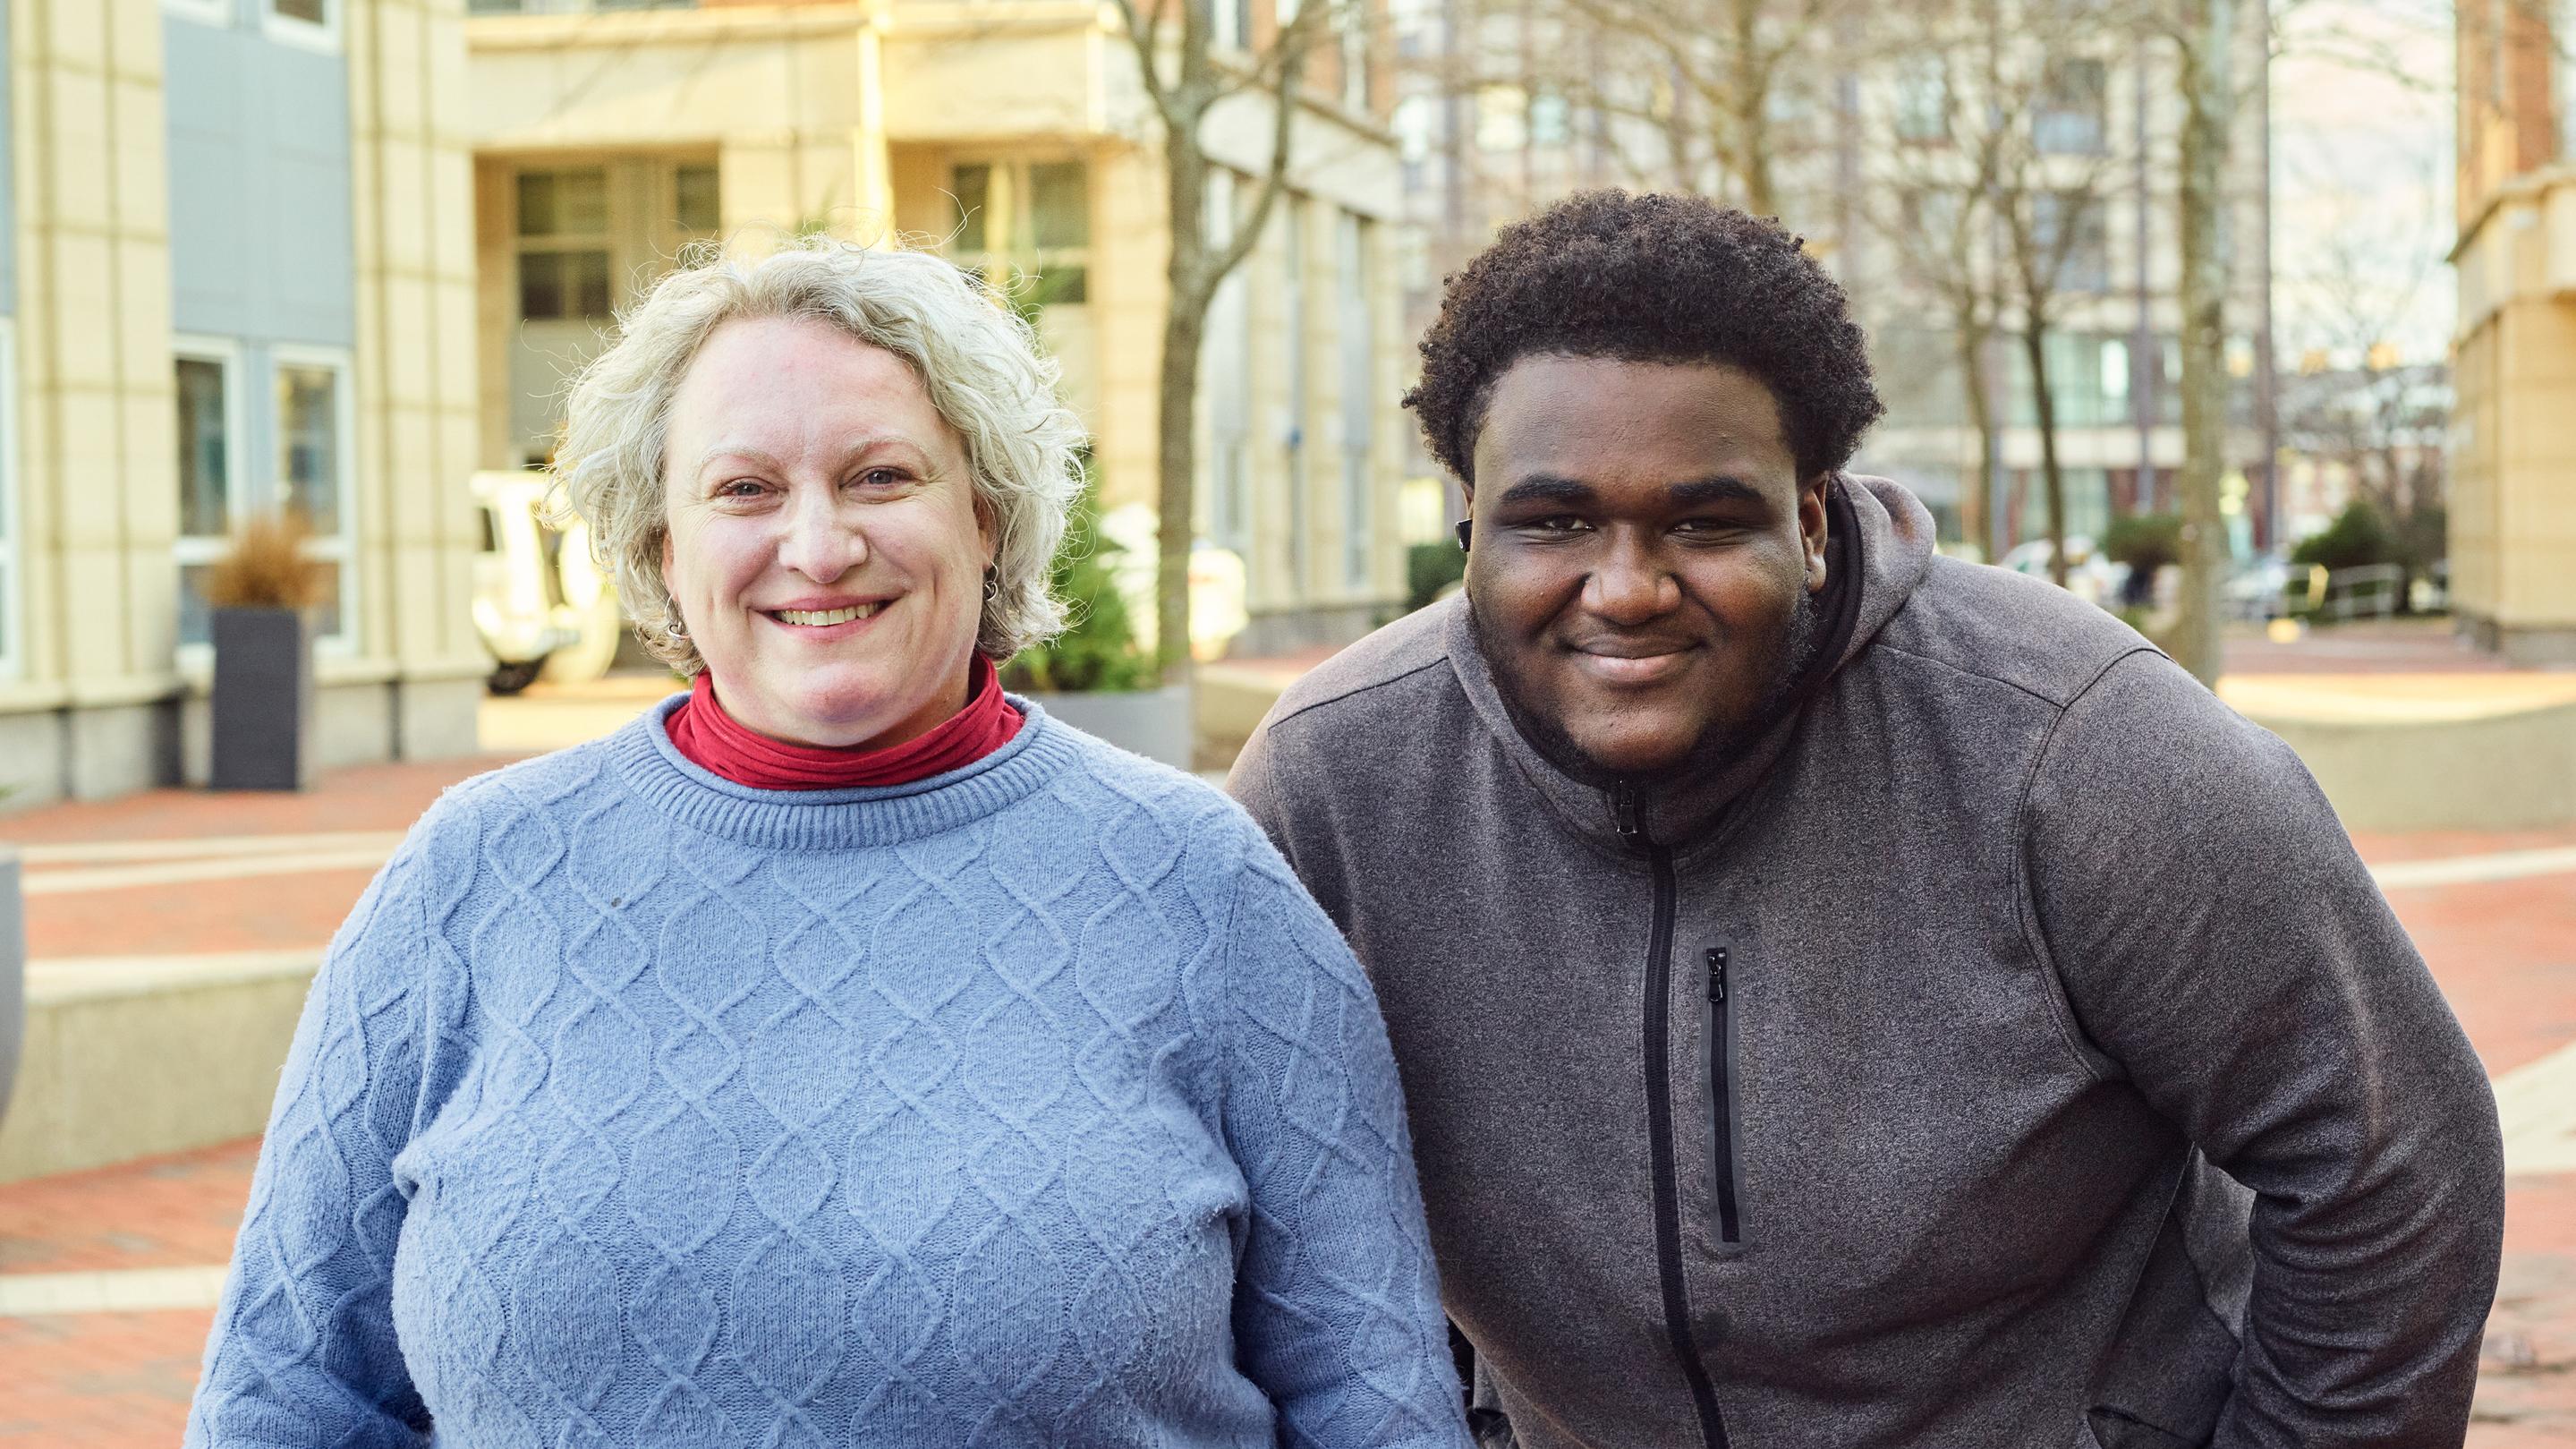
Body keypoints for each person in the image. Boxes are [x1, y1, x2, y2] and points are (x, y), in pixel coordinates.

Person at [1228, 191, 2504, 1447]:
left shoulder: (2076, 747)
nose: (1624, 589)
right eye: (1553, 520)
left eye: (1704, 520)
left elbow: (2391, 1164)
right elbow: (1271, 1231)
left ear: (1816, 525)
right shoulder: (1336, 784)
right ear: (1469, 533)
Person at [185, 239, 1468, 1449]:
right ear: (661, 547)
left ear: (986, 515)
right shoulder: (471, 879)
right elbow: (285, 1394)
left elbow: (1378, 1407)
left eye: (881, 477)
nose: (817, 545)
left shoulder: (1203, 883)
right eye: (745, 488)